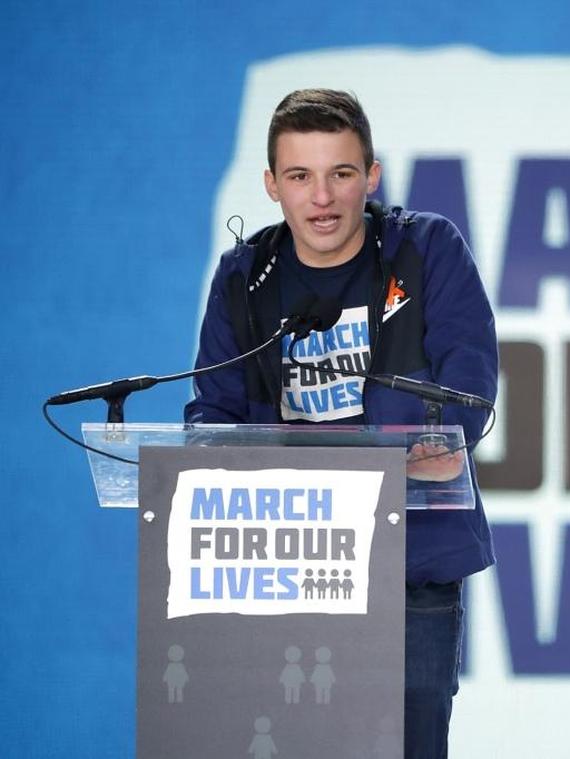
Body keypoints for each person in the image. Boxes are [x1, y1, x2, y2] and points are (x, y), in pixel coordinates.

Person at [186, 88, 498, 758]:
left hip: (410, 562)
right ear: (272, 185)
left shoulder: (426, 250)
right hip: (282, 562)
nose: (321, 197)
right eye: (299, 175)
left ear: (372, 176)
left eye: (341, 173)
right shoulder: (243, 276)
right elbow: (214, 409)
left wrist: (402, 458)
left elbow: (466, 390)